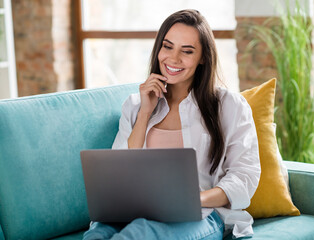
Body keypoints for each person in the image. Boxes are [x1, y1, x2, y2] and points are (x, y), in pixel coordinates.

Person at [83, 9, 260, 240]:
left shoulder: (230, 106)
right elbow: (120, 171)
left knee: (139, 235)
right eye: (167, 47)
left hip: (202, 215)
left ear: (203, 57)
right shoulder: (136, 105)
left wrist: (193, 199)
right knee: (97, 234)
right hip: (136, 212)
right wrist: (145, 114)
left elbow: (245, 176)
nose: (173, 59)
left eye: (187, 51)